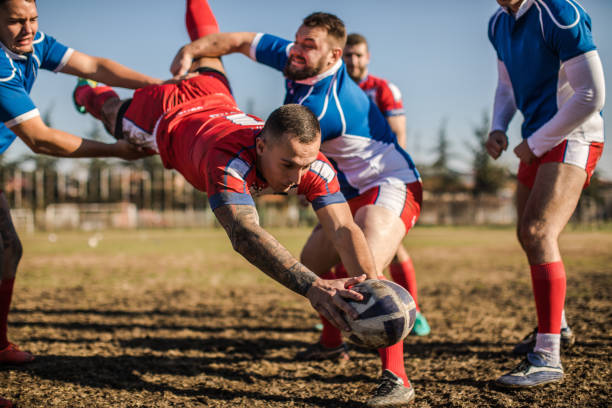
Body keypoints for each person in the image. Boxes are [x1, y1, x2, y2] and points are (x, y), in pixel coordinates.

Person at [171, 3, 421, 406]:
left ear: (334, 56)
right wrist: (193, 49)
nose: (295, 49)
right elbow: (236, 40)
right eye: (297, 40)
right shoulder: (296, 58)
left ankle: (397, 377)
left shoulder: (322, 108)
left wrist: (243, 187)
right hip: (345, 184)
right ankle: (330, 344)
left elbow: (289, 168)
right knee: (313, 266)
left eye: (309, 45)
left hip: (386, 183)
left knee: (365, 271)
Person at [73, 47, 379, 349]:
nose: (298, 178)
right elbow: (245, 233)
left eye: (306, 166)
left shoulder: (312, 164)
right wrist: (313, 286)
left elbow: (342, 229)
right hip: (164, 114)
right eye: (288, 165)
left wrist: (373, 290)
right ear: (260, 147)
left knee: (208, 42)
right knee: (112, 114)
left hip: (215, 94)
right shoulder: (229, 162)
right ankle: (87, 91)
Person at [0, 0, 162, 406]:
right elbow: (40, 138)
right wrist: (114, 150)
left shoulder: (35, 44)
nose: (27, 29)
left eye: (33, 19)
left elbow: (96, 67)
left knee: (7, 250)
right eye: (16, 21)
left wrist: (159, 88)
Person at [487, 0, 605, 388]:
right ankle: (559, 326)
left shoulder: (559, 11)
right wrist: (499, 126)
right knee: (528, 233)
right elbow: (506, 86)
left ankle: (548, 356)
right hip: (537, 139)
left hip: (573, 134)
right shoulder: (497, 23)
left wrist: (536, 142)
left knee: (539, 232)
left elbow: (591, 95)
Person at [343, 32, 430, 337]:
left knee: (388, 249)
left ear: (367, 58)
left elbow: (398, 137)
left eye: (358, 55)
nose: (353, 60)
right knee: (346, 246)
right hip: (348, 183)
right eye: (348, 55)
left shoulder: (382, 90)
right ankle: (339, 316)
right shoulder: (337, 90)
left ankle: (410, 310)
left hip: (381, 181)